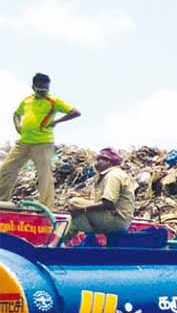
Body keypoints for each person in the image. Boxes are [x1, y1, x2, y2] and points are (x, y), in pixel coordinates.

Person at [0, 73, 81, 208]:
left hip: (43, 143)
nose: (44, 92)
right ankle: (2, 202)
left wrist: (56, 121)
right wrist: (17, 126)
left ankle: (46, 206)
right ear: (34, 87)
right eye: (41, 90)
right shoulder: (27, 100)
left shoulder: (54, 101)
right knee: (7, 169)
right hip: (24, 142)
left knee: (44, 175)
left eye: (46, 89)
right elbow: (16, 114)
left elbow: (75, 112)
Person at [67, 148, 135, 235]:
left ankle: (54, 244)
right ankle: (54, 244)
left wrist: (82, 208)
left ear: (108, 162)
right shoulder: (111, 174)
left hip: (116, 220)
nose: (97, 162)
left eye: (100, 160)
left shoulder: (113, 176)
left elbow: (108, 203)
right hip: (116, 218)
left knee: (76, 205)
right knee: (75, 212)